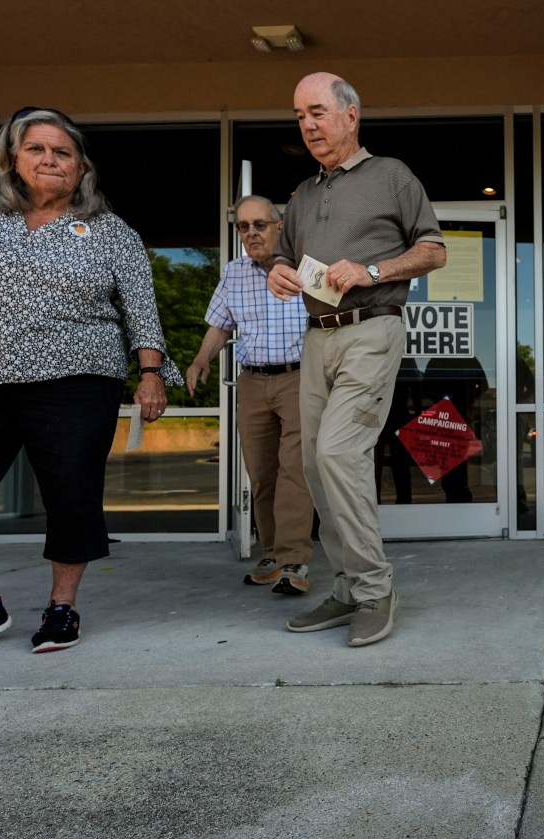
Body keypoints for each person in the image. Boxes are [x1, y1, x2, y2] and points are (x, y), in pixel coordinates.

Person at [0, 107, 182, 654]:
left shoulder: (111, 231)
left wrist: (149, 373)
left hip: (79, 378)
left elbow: (141, 310)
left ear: (81, 168)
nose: (50, 160)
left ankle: (62, 607)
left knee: (71, 494)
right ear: (12, 158)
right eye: (37, 149)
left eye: (63, 153)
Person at [268, 72, 446, 647]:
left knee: (339, 453)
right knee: (317, 467)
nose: (308, 125)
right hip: (316, 335)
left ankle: (374, 589)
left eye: (317, 112)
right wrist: (277, 270)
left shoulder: (391, 175)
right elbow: (285, 256)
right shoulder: (304, 194)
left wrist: (373, 270)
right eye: (299, 116)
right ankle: (346, 587)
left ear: (351, 114)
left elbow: (434, 249)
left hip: (372, 329)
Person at [185, 195, 314, 596]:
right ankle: (273, 553)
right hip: (253, 382)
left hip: (298, 378)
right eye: (244, 226)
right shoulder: (234, 272)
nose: (252, 233)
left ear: (279, 226)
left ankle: (295, 560)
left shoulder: (304, 268)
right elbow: (220, 324)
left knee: (295, 470)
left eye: (260, 224)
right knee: (261, 473)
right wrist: (201, 358)